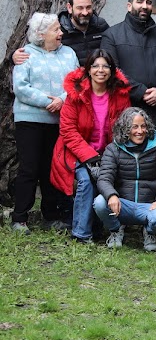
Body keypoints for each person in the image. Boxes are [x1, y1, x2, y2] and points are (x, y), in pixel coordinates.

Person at [101, 0, 156, 226]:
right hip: (128, 109)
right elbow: (112, 70)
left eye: (148, 2)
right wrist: (140, 91)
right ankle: (123, 219)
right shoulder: (113, 35)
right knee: (125, 165)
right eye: (140, 1)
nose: (144, 6)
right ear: (129, 6)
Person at [50, 51, 131, 243]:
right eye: (95, 66)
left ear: (112, 71)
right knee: (86, 180)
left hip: (107, 153)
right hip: (74, 152)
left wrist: (109, 156)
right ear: (88, 70)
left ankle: (102, 227)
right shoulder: (76, 94)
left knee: (107, 179)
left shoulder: (120, 95)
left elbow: (124, 127)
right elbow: (68, 130)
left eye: (105, 66)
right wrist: (89, 156)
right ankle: (81, 234)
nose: (100, 70)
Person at [10, 13, 79, 233]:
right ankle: (19, 218)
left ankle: (51, 216)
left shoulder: (69, 53)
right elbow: (20, 87)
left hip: (59, 121)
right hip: (29, 121)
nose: (61, 33)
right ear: (41, 34)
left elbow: (77, 82)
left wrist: (61, 100)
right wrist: (46, 102)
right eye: (56, 29)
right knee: (29, 169)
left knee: (52, 169)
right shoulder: (25, 55)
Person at [92, 108, 156, 251]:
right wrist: (111, 195)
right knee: (99, 202)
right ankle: (116, 230)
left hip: (147, 206)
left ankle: (149, 232)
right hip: (122, 206)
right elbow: (104, 178)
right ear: (125, 129)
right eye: (134, 127)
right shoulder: (113, 149)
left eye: (143, 126)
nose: (140, 131)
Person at [11, 0, 109, 68]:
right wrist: (14, 55)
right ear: (69, 8)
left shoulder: (100, 25)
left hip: (99, 79)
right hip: (70, 82)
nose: (85, 12)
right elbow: (37, 46)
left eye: (88, 7)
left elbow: (114, 46)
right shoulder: (58, 29)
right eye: (80, 8)